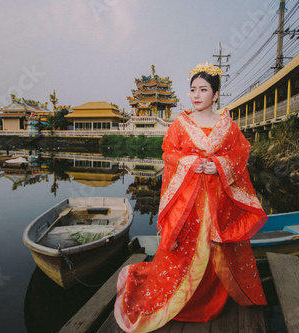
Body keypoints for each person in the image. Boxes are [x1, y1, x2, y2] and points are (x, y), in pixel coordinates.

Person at [114, 62, 267, 332]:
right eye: (193, 89)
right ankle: (181, 300)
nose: (196, 95)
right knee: (185, 249)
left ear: (216, 95)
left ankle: (210, 299)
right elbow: (169, 154)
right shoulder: (180, 124)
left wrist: (219, 164)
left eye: (203, 89)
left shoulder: (227, 126)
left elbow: (240, 154)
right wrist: (188, 162)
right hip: (189, 204)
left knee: (214, 247)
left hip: (218, 202)